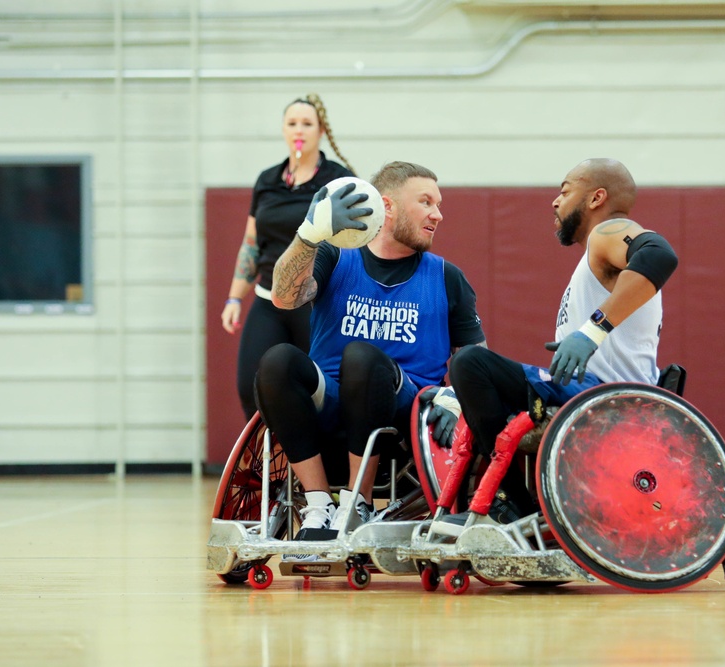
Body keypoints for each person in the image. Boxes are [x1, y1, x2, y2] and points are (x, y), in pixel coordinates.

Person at [255, 161, 486, 552]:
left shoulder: (447, 277)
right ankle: (318, 504)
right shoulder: (335, 256)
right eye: (426, 202)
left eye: (439, 203)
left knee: (362, 357)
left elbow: (475, 361)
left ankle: (356, 503)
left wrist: (456, 398)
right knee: (278, 361)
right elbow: (283, 297)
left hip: (403, 416)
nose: (438, 214)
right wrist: (308, 236)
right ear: (387, 206)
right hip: (331, 408)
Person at [446, 158, 678, 520]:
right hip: (596, 390)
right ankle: (515, 502)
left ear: (596, 197)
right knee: (476, 379)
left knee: (471, 364)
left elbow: (660, 255)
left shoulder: (610, 231)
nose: (555, 202)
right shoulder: (598, 255)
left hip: (607, 395)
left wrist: (592, 330)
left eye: (565, 191)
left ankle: (508, 502)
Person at [220, 94, 356, 421]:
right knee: (250, 387)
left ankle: (316, 464)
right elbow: (251, 242)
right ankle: (269, 467)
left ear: (320, 130)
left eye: (307, 123)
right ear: (282, 129)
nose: (299, 130)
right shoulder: (267, 180)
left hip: (314, 302)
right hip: (268, 299)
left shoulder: (338, 178)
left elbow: (355, 243)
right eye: (292, 123)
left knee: (316, 389)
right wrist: (234, 298)